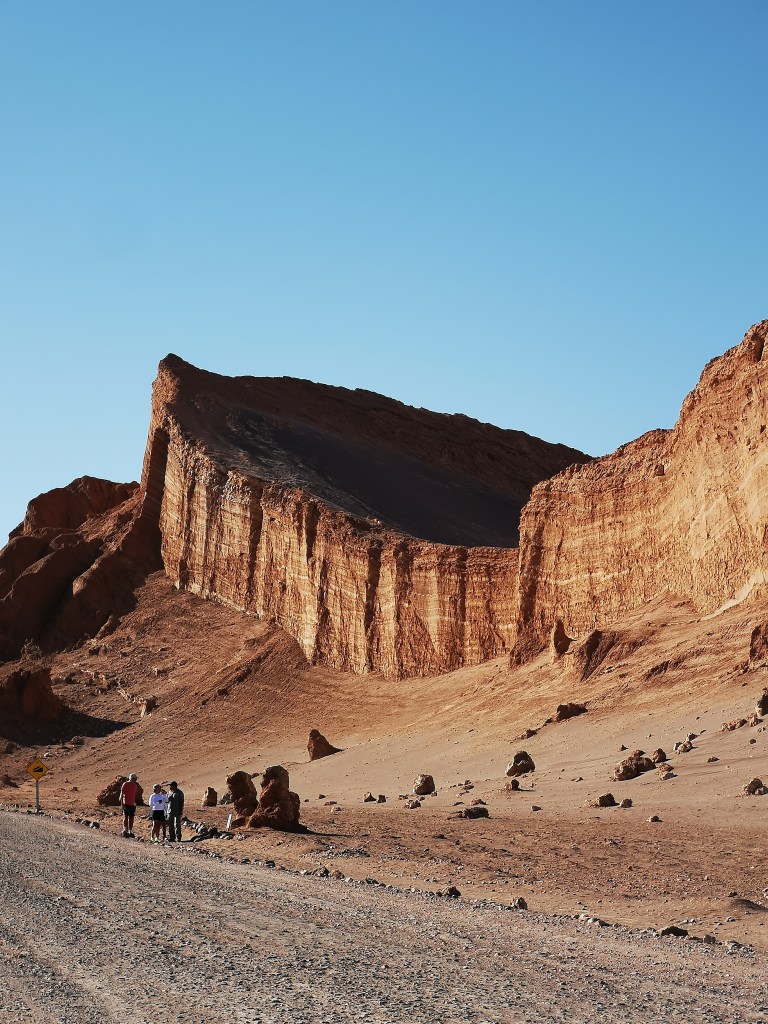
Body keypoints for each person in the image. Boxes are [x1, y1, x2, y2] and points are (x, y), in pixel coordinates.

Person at [119, 773, 140, 837]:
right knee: (126, 816)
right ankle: (125, 829)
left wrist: (135, 803)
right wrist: (122, 804)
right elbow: (122, 794)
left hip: (132, 804)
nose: (136, 780)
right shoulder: (125, 784)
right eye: (135, 779)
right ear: (132, 778)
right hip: (126, 803)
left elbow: (134, 795)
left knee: (131, 817)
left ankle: (130, 830)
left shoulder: (135, 785)